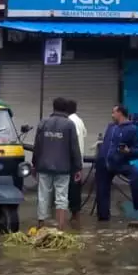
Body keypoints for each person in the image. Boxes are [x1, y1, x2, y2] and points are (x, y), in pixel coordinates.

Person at [94, 104, 138, 221]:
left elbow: (137, 150)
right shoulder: (111, 127)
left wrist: (128, 151)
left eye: (114, 112)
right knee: (102, 192)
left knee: (135, 173)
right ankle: (103, 219)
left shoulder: (132, 129)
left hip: (120, 163)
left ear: (120, 113)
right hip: (104, 162)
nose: (112, 115)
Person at [32, 97, 83, 228]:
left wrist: (34, 164)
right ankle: (61, 227)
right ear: (65, 109)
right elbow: (74, 148)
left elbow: (37, 146)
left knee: (43, 195)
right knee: (62, 196)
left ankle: (41, 224)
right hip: (63, 168)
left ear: (53, 107)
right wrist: (78, 168)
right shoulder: (69, 124)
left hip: (43, 166)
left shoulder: (43, 123)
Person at [65, 99, 88, 219]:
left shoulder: (70, 121)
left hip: (72, 161)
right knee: (76, 188)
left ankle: (74, 215)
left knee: (72, 189)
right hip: (78, 160)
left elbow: (74, 140)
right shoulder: (79, 120)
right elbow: (84, 134)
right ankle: (75, 214)